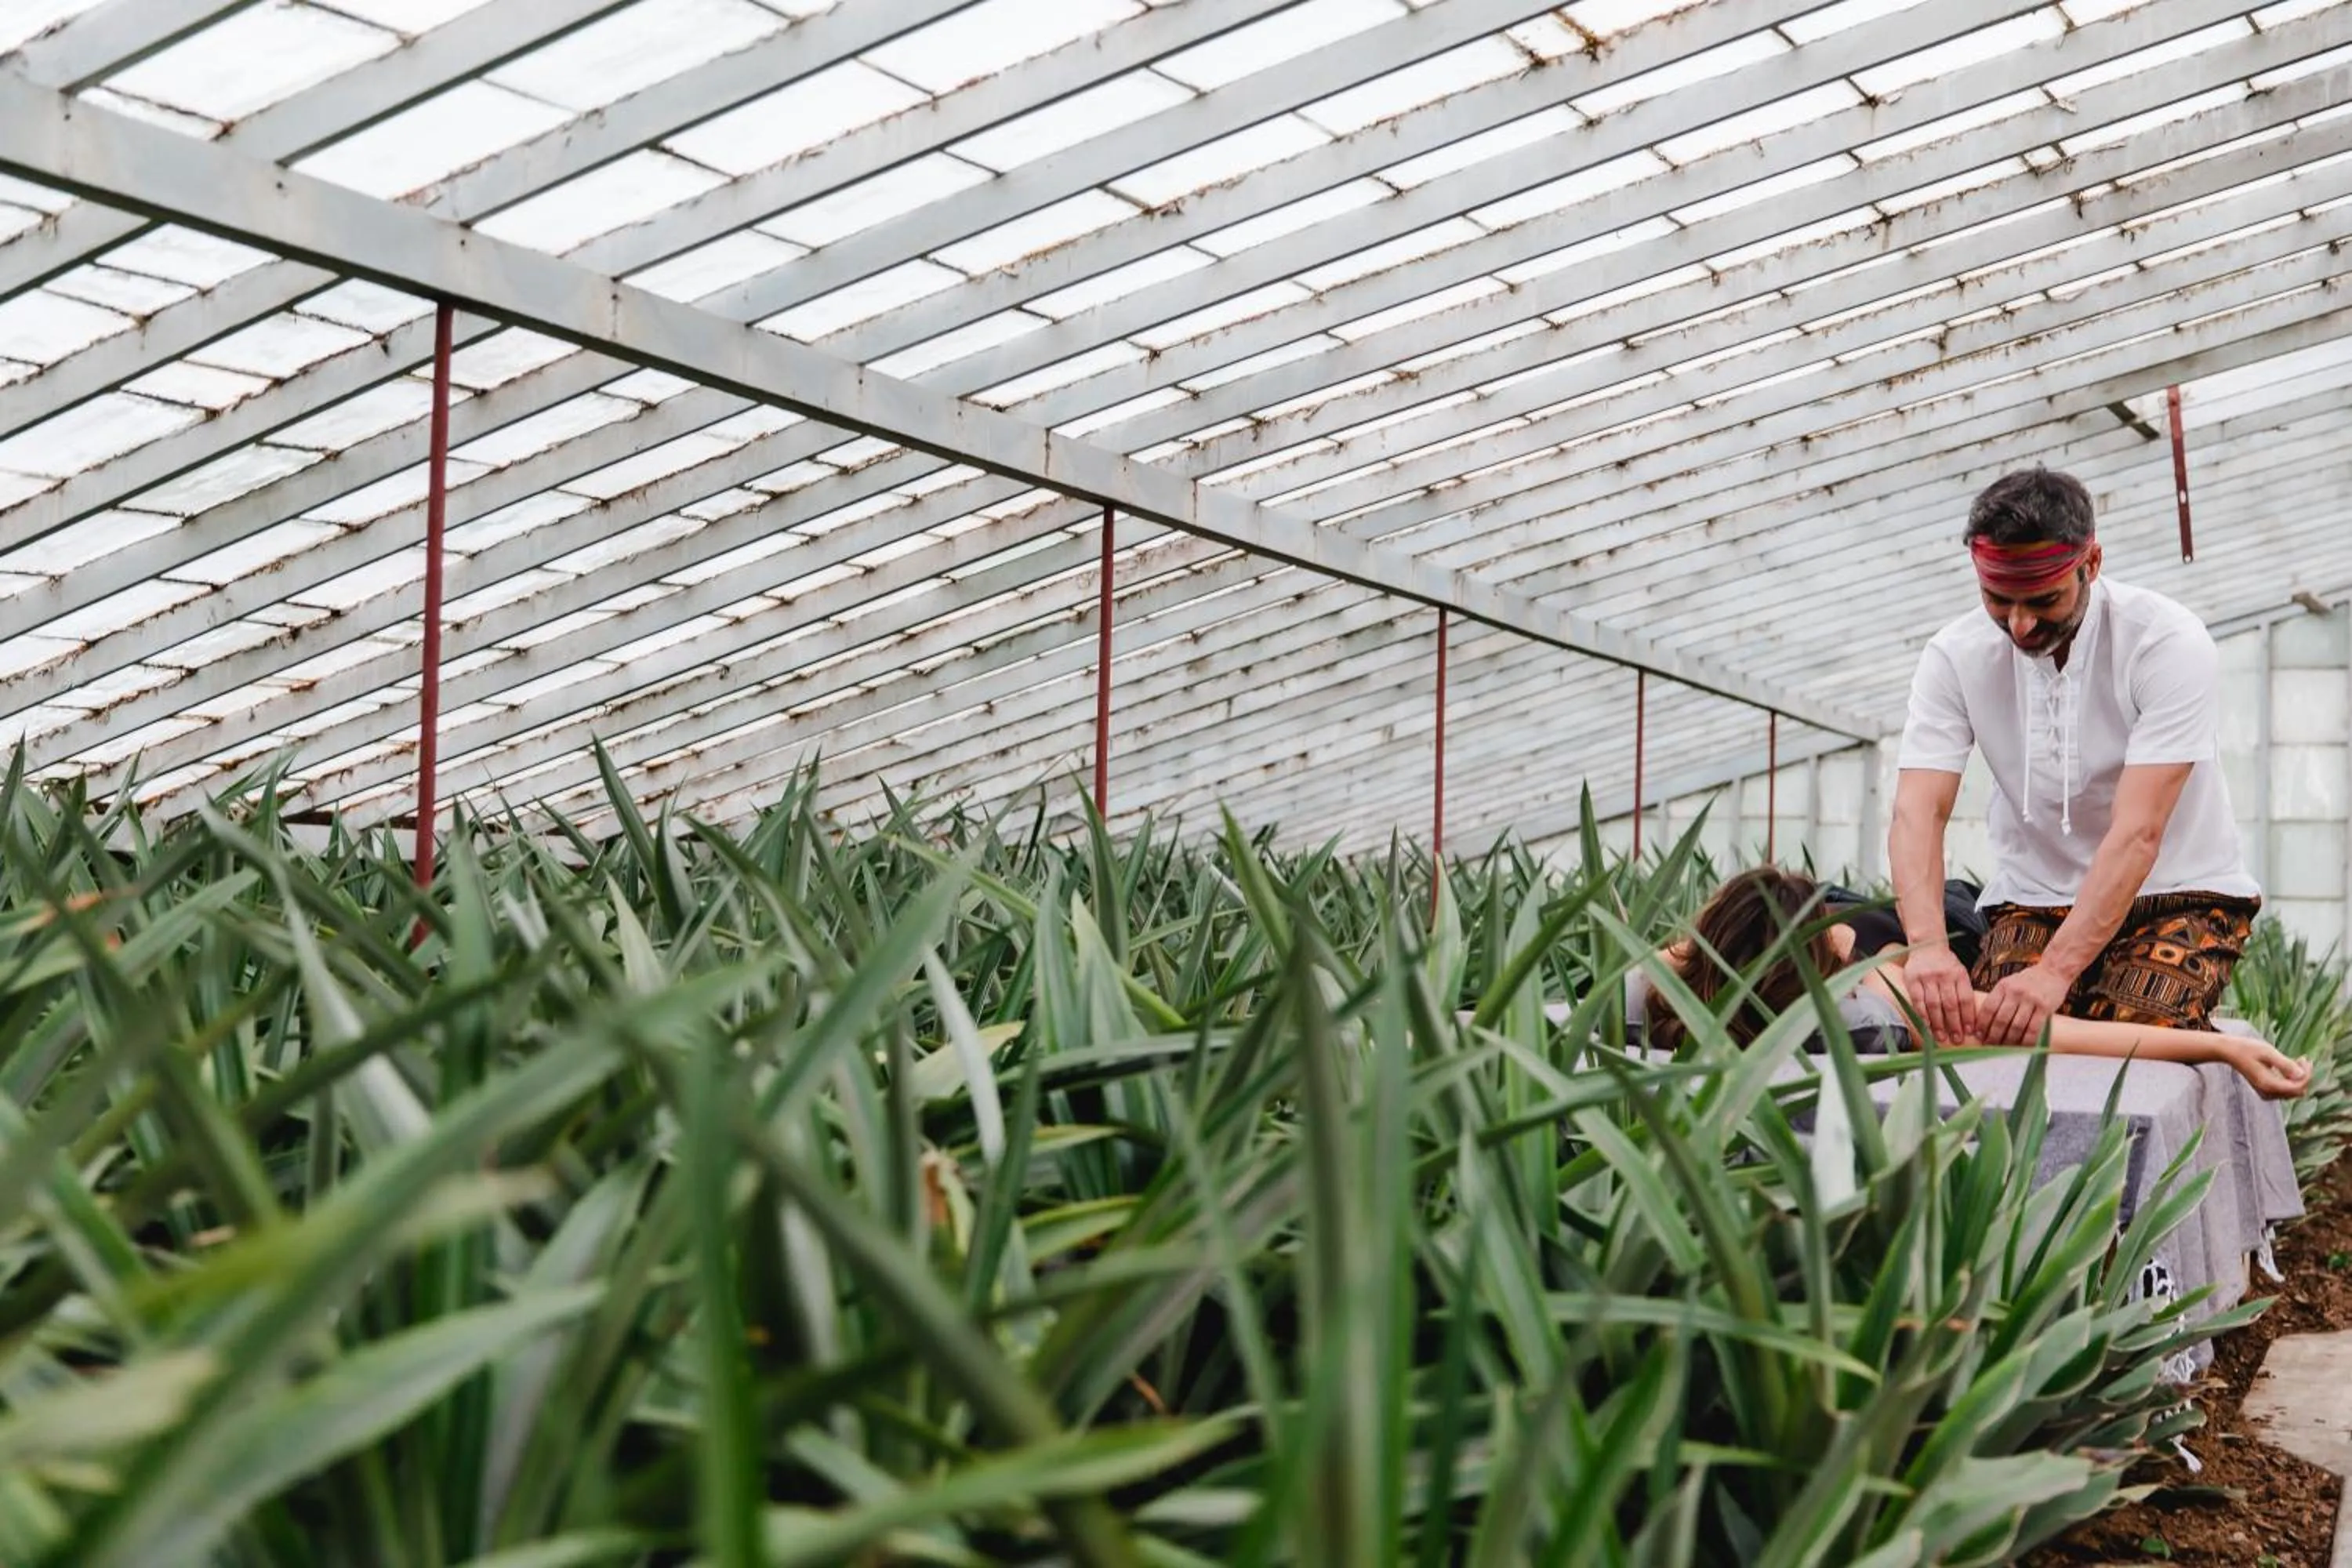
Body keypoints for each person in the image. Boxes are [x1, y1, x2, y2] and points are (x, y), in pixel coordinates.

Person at [1889, 467, 2260, 1048]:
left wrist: (2057, 972)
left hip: (2176, 892)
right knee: (1985, 1037)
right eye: (1997, 600)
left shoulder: (2166, 642)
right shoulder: (1953, 656)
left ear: (2092, 564)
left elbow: (2139, 832)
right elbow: (1918, 812)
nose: (2020, 624)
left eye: (2043, 600)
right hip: (2033, 895)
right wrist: (1929, 950)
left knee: (2132, 1039)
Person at [1639, 866, 2307, 1100]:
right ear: (1815, 959)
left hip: (1907, 921)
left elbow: (1673, 958)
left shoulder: (1687, 972)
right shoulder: (1874, 996)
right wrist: (2217, 1047)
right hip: (1950, 929)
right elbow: (2044, 1030)